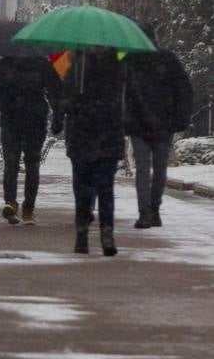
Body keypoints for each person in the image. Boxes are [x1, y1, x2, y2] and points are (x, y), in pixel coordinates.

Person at [124, 23, 194, 229]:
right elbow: (184, 90)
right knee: (159, 168)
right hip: (164, 124)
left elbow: (123, 93)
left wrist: (127, 119)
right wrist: (180, 118)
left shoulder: (130, 60)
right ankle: (153, 209)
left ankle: (145, 212)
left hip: (140, 124)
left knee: (143, 169)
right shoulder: (168, 59)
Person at [61, 48, 126, 256]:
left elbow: (64, 99)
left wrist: (74, 104)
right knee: (102, 187)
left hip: (86, 136)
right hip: (105, 135)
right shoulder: (118, 63)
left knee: (85, 188)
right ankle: (103, 232)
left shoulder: (76, 66)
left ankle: (86, 231)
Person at [0, 55, 61, 226]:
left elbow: (55, 92)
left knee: (18, 165)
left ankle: (20, 205)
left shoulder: (5, 66)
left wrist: (57, 115)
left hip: (26, 121)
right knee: (26, 166)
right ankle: (19, 206)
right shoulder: (39, 65)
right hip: (23, 120)